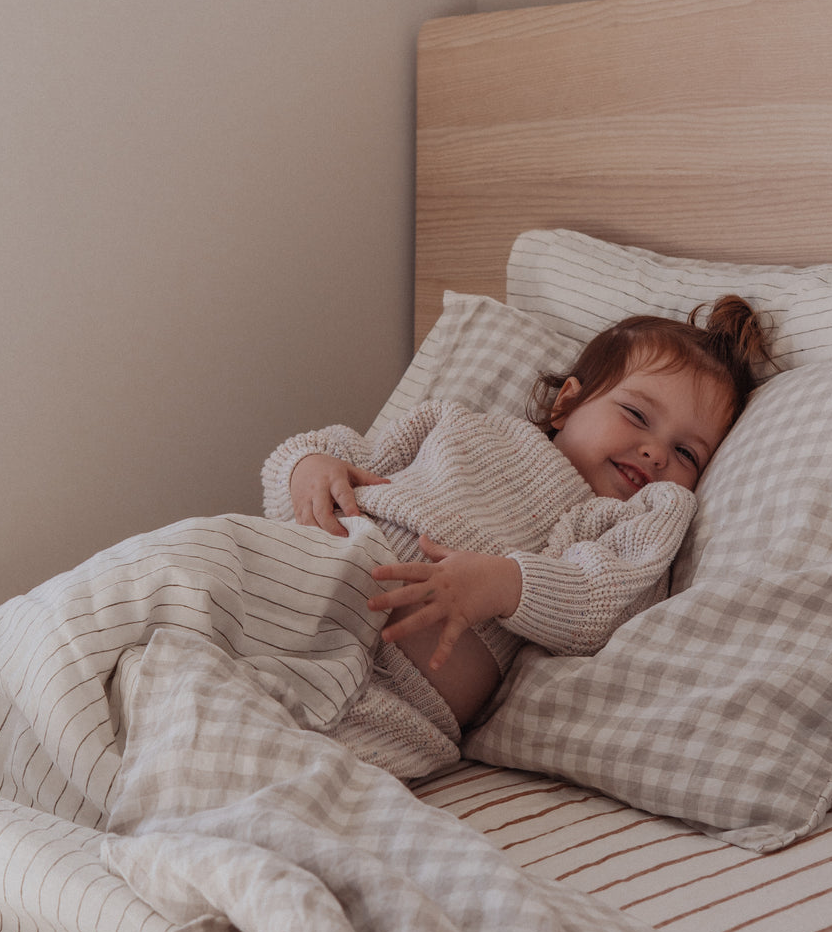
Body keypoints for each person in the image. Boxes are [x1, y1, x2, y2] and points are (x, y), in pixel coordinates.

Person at [262, 298, 772, 779]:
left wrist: (506, 585)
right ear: (567, 404)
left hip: (398, 704)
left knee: (280, 772)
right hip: (304, 587)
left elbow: (601, 604)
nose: (656, 454)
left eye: (687, 454)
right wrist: (308, 465)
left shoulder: (630, 519)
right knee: (200, 581)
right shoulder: (460, 424)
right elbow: (347, 460)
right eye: (637, 416)